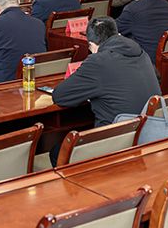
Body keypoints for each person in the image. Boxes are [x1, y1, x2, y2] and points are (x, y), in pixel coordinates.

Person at [51, 16, 161, 165]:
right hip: (148, 135)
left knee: (57, 152)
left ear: (92, 44)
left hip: (114, 143)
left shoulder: (98, 61)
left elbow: (59, 96)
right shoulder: (141, 53)